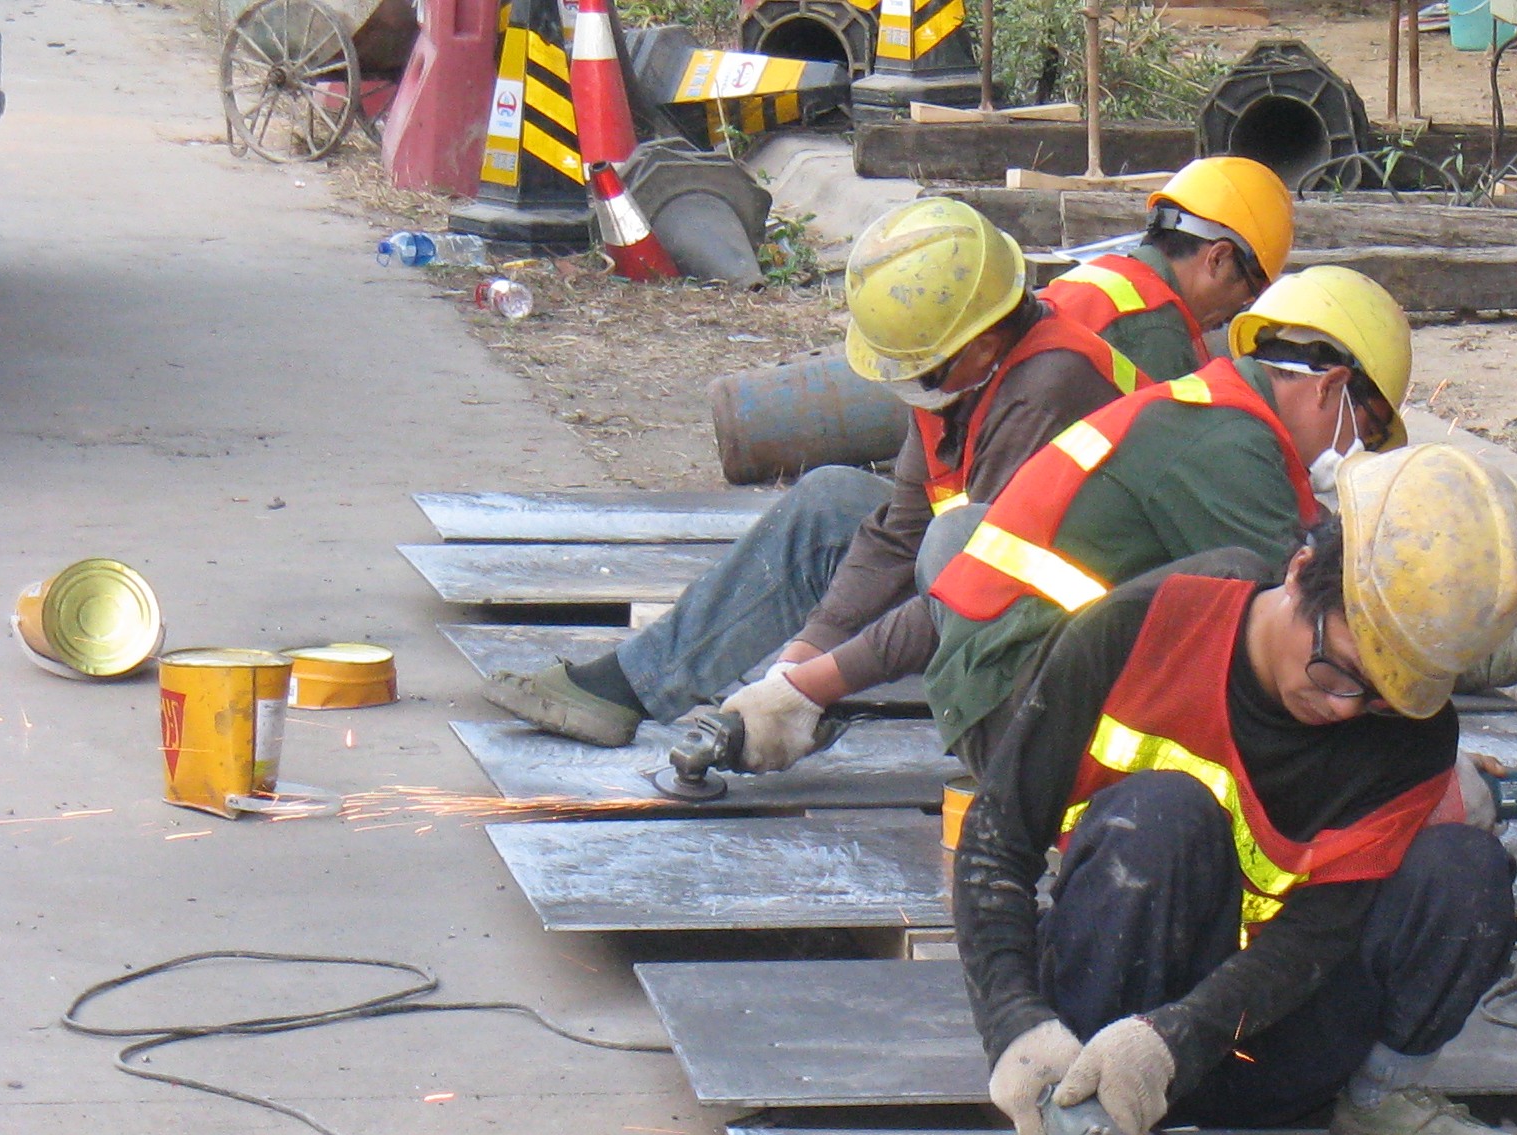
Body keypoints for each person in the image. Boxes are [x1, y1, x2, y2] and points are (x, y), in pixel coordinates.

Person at [470, 167, 1287, 767]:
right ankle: (632, 687)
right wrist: (804, 653)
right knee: (832, 501)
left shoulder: (1052, 386)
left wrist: (815, 688)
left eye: (921, 371)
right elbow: (899, 524)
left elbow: (976, 584)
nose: (912, 390)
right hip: (982, 570)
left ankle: (993, 741)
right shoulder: (966, 369)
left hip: (1080, 630)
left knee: (952, 544)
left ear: (980, 340)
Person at [959, 444, 1517, 1135]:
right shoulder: (1143, 629)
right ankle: (1085, 1121)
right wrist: (1015, 1024)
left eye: (1378, 697)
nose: (1343, 708)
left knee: (1467, 873)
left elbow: (1320, 933)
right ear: (1301, 571)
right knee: (1161, 814)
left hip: (1267, 1038)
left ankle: (1380, 1105)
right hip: (1105, 1031)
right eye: (1337, 669)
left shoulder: (1412, 738)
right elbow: (996, 837)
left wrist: (1175, 1043)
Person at [922, 263, 1412, 757]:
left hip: (1019, 686)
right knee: (1256, 598)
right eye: (1367, 432)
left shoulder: (1222, 417)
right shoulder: (1226, 443)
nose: (1360, 451)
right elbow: (1318, 620)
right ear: (1331, 386)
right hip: (1023, 715)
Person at [1039, 155, 1292, 394]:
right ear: (1217, 259)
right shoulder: (1156, 326)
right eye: (1251, 289)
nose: (1236, 310)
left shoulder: (1098, 275)